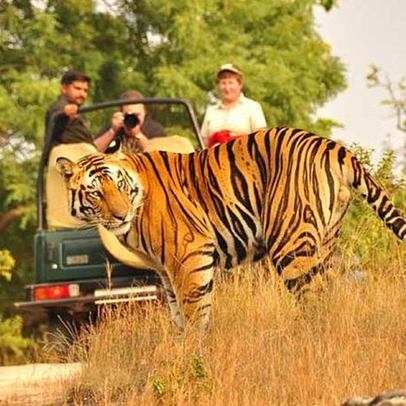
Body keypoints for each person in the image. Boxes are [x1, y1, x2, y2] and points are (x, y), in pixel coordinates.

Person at [45, 70, 121, 229]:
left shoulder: (79, 116)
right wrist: (65, 112)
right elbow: (56, 115)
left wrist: (113, 130)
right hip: (72, 163)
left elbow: (92, 146)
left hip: (84, 159)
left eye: (85, 90)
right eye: (77, 89)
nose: (82, 94)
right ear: (64, 88)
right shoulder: (60, 109)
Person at [200, 63, 267, 147]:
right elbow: (203, 142)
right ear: (219, 86)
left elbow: (261, 140)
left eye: (231, 83)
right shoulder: (211, 110)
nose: (227, 88)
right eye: (223, 83)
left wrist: (233, 140)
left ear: (240, 85)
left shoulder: (252, 107)